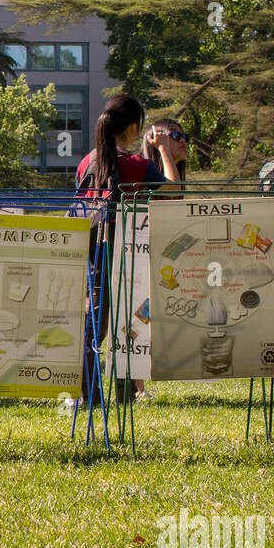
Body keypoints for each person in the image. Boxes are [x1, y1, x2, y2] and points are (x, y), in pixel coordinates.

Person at [76, 95, 182, 402]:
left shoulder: (87, 161)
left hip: (92, 247)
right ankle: (124, 395)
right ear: (135, 127)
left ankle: (90, 395)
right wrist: (163, 148)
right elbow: (175, 190)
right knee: (128, 323)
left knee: (95, 323)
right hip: (126, 250)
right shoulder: (136, 165)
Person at [142, 118, 190, 184]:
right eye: (175, 135)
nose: (183, 140)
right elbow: (174, 190)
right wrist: (163, 148)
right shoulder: (143, 172)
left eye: (185, 136)